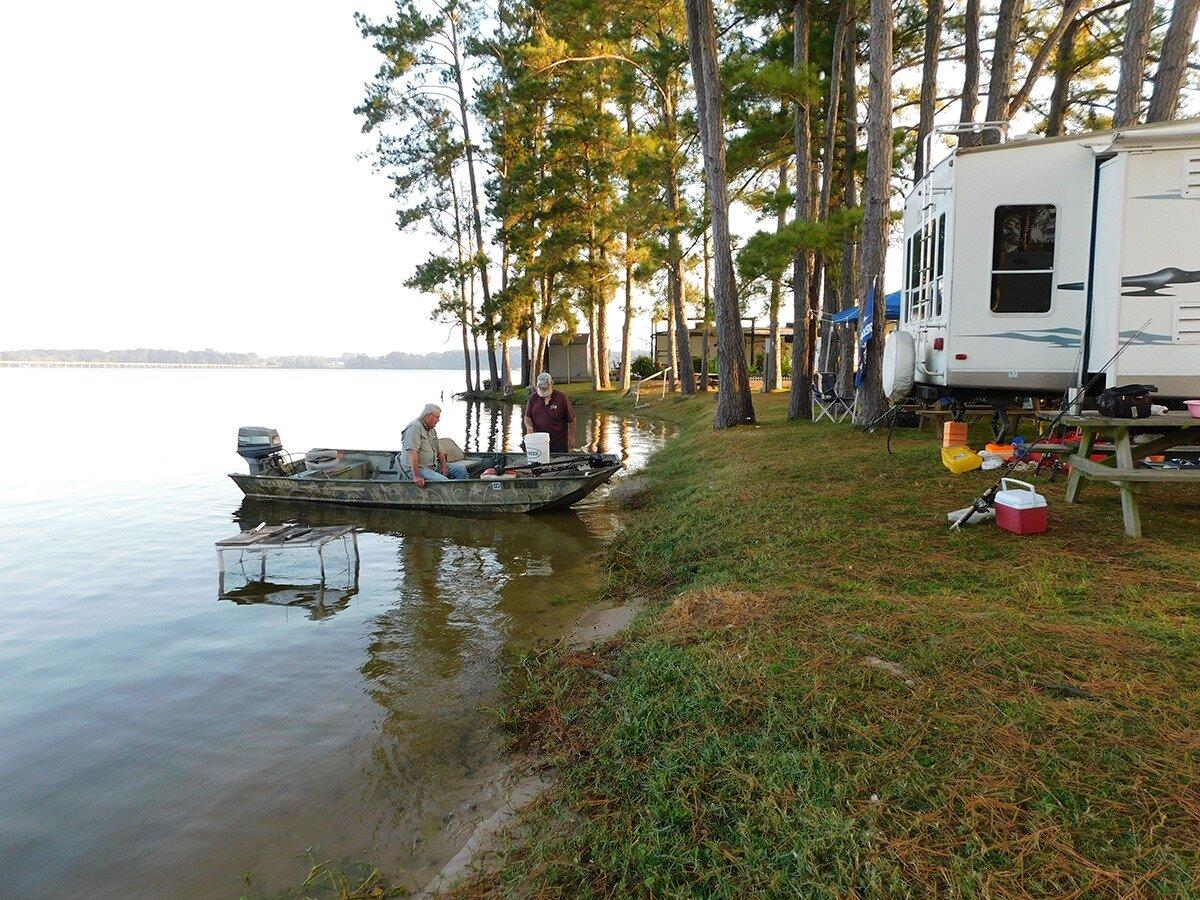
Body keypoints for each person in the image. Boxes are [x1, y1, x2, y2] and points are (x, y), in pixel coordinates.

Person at [400, 403, 468, 487]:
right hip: (419, 469)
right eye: (437, 417)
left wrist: (444, 465)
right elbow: (412, 453)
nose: (438, 420)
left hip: (433, 465)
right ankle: (450, 493)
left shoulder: (431, 429)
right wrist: (416, 476)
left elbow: (439, 450)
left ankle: (462, 493)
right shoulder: (414, 428)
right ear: (428, 416)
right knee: (444, 481)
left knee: (461, 470)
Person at [523, 373, 576, 453]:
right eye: (541, 387)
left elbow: (571, 419)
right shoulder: (532, 398)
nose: (543, 389)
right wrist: (529, 426)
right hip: (539, 442)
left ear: (551, 384)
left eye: (546, 387)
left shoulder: (561, 397)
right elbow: (527, 416)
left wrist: (571, 436)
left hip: (559, 444)